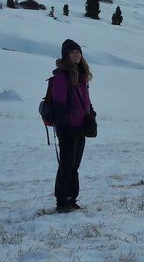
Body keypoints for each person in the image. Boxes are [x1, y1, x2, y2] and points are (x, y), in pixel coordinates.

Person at [50, 38, 93, 213]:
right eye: (73, 52)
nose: (77, 55)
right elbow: (59, 104)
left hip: (80, 127)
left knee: (75, 165)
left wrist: (91, 113)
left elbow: (85, 100)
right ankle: (62, 201)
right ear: (66, 55)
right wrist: (64, 125)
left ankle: (72, 198)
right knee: (66, 165)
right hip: (68, 128)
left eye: (78, 52)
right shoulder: (62, 76)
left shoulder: (81, 75)